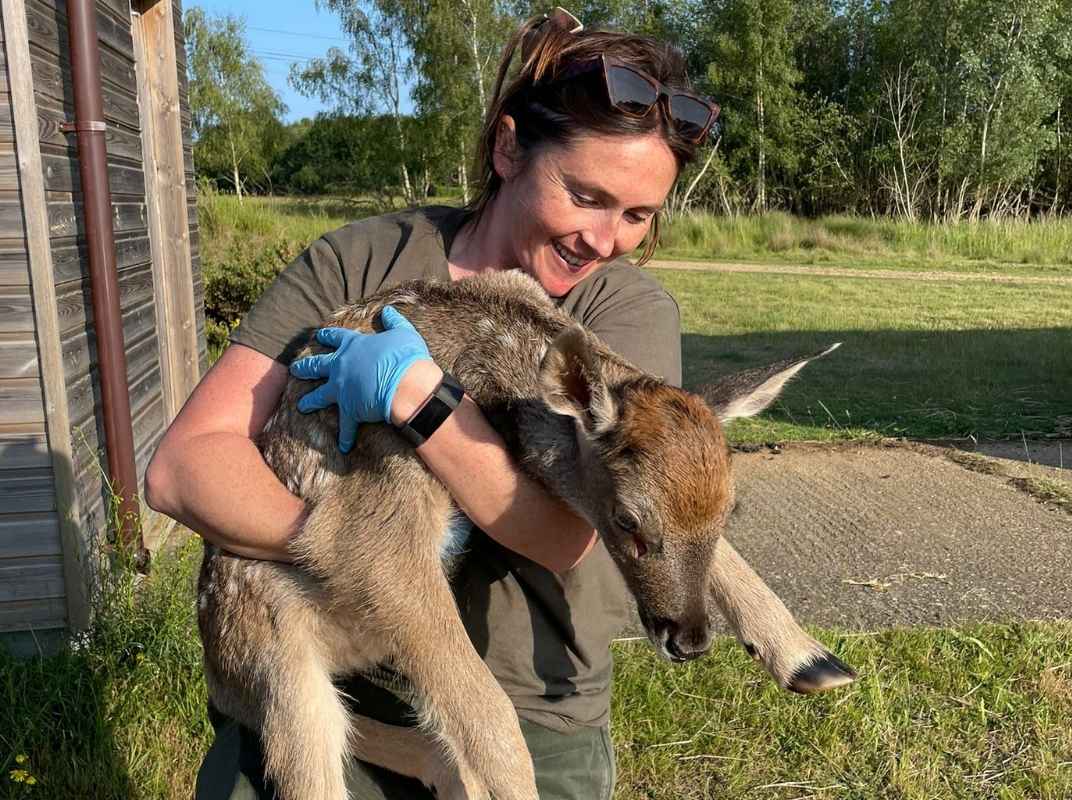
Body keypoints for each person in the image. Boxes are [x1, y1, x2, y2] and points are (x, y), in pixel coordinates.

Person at [145, 7, 720, 799]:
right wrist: (358, 557)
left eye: (638, 214)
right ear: (509, 147)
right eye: (585, 195)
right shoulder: (363, 261)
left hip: (527, 709)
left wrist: (424, 403)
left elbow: (563, 536)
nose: (604, 239)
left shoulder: (621, 315)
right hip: (316, 672)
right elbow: (183, 468)